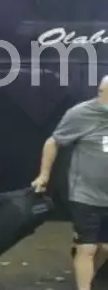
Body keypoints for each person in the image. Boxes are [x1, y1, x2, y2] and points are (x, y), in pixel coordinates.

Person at [33, 76, 108, 290]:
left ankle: (89, 276)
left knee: (104, 248)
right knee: (88, 248)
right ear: (100, 93)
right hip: (85, 194)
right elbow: (53, 142)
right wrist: (44, 175)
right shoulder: (81, 114)